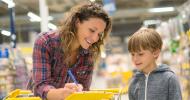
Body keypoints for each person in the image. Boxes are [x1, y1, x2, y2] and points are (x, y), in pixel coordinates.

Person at [27, 2, 112, 100]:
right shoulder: (46, 42)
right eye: (92, 30)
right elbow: (40, 87)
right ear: (77, 22)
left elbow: (84, 89)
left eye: (99, 34)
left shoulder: (88, 55)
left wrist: (80, 90)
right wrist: (62, 94)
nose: (95, 38)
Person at [127, 28, 182, 100]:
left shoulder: (169, 79)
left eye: (140, 54)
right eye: (132, 54)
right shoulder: (134, 82)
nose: (135, 59)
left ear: (155, 53)